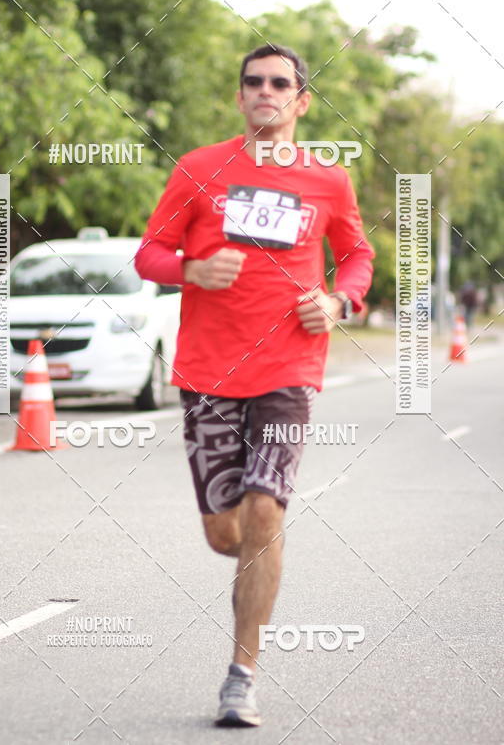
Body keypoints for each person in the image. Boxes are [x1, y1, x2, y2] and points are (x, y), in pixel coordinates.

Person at [134, 43, 374, 728]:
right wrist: (190, 271)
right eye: (253, 82)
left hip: (289, 369)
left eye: (279, 83)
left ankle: (242, 675)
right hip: (209, 373)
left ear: (300, 102)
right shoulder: (200, 168)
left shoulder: (328, 179)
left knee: (265, 510)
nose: (264, 91)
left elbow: (356, 255)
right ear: (240, 97)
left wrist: (337, 303)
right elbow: (150, 250)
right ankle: (258, 559)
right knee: (223, 533)